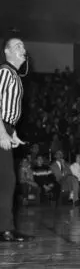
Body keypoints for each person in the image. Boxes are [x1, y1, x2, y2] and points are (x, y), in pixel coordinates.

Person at [0, 36, 34, 242]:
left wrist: (12, 132)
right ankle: (5, 229)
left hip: (6, 127)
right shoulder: (4, 72)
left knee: (5, 180)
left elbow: (7, 108)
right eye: (17, 45)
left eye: (23, 44)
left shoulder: (15, 75)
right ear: (7, 52)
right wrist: (2, 131)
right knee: (7, 180)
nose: (23, 48)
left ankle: (5, 227)